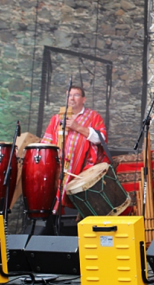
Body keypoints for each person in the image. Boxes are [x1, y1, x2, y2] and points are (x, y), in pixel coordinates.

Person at [42, 85, 109, 215]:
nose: (72, 98)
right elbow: (47, 141)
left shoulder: (93, 116)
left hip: (83, 168)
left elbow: (101, 139)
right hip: (58, 167)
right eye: (69, 95)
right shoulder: (56, 118)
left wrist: (76, 127)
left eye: (76, 95)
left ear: (84, 99)